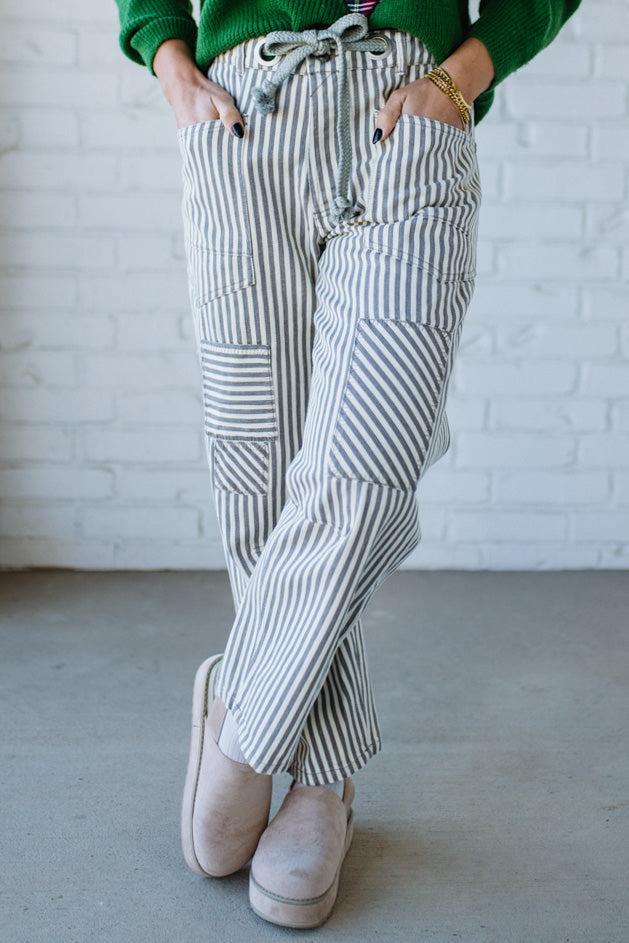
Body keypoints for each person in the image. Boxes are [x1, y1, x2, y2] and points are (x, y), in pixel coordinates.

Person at [114, 0, 582, 928]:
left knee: (367, 460)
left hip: (408, 116)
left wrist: (460, 81)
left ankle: (243, 714)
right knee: (262, 464)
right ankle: (325, 780)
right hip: (245, 117)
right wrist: (169, 61)